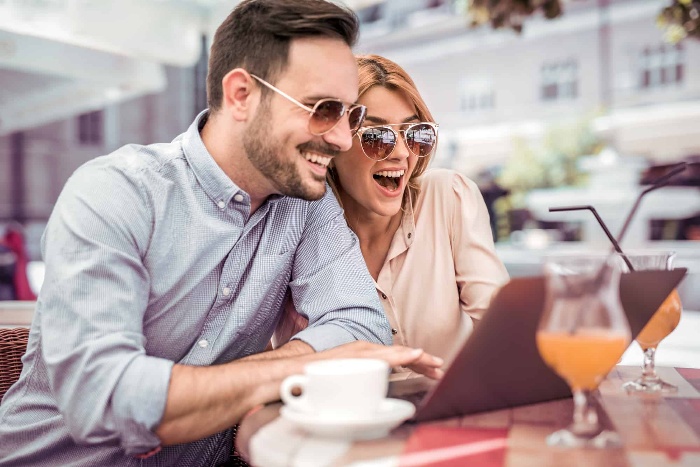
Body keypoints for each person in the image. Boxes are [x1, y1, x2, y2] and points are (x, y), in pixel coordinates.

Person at [0, 3, 443, 466]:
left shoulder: (306, 205)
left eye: (350, 115)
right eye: (323, 109)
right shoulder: (115, 192)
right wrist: (301, 364)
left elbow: (359, 320)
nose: (343, 140)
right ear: (241, 95)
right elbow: (104, 401)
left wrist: (206, 389)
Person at [275, 55, 509, 374]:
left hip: (448, 416)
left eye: (415, 133)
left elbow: (504, 332)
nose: (401, 152)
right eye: (376, 136)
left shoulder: (449, 198)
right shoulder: (289, 227)